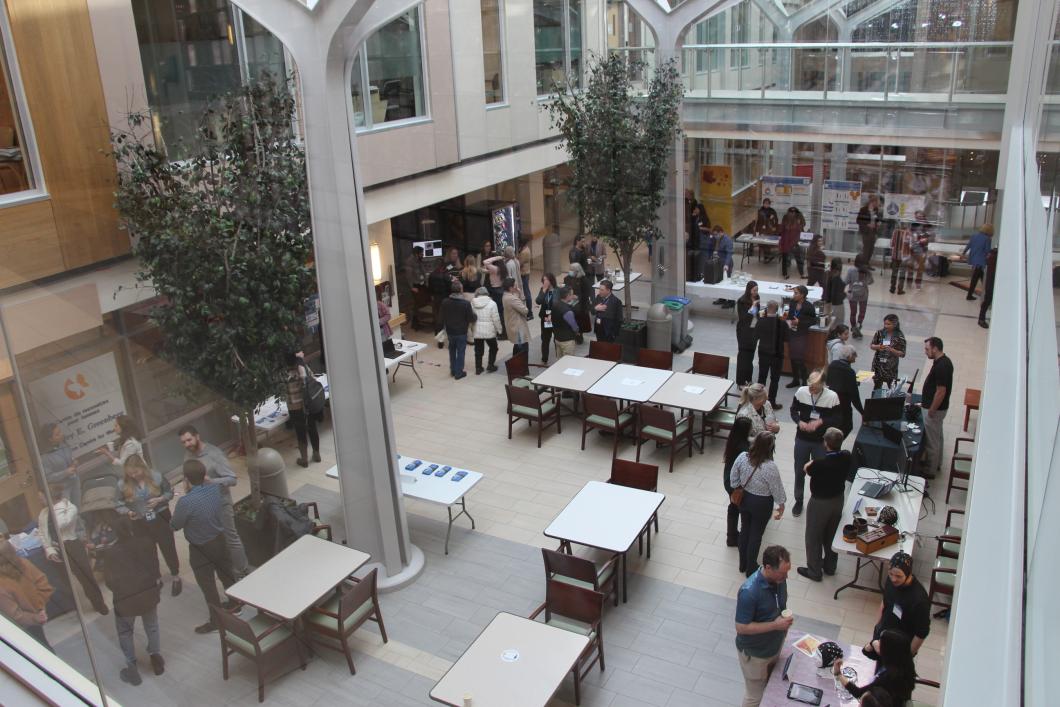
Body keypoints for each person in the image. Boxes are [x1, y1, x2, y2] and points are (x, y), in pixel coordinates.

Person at [170, 460, 239, 634]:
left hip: (201, 549)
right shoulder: (214, 489)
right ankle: (235, 603)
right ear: (204, 475)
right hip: (220, 539)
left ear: (186, 479)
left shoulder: (185, 502)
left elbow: (175, 525)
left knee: (208, 585)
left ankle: (216, 621)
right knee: (226, 573)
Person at [103, 513, 164, 686]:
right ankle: (156, 659)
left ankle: (132, 668)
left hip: (125, 599)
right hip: (147, 594)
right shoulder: (146, 543)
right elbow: (154, 567)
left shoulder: (111, 553)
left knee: (125, 632)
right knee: (152, 626)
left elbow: (109, 580)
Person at [178, 425, 248, 576]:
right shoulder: (188, 455)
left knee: (231, 537)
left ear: (197, 436)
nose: (187, 444)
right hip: (204, 505)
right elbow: (187, 475)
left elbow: (232, 479)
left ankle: (243, 570)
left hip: (221, 503)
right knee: (216, 540)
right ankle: (228, 571)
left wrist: (212, 482)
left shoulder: (214, 454)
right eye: (183, 442)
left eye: (189, 440)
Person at [734, 545, 792, 707]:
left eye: (787, 572)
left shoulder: (779, 580)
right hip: (755, 654)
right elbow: (741, 627)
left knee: (772, 685)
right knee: (755, 696)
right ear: (768, 568)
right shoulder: (749, 592)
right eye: (783, 573)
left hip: (774, 646)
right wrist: (775, 625)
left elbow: (780, 604)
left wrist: (782, 622)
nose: (786, 576)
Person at [116, 455, 182, 596]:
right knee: (147, 552)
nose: (133, 476)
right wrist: (128, 512)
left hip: (160, 516)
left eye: (136, 472)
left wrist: (159, 499)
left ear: (143, 469)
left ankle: (175, 575)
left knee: (168, 547)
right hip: (140, 521)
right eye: (130, 473)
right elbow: (118, 504)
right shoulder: (122, 484)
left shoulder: (156, 476)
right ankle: (156, 578)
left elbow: (170, 492)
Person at [38, 483, 107, 615]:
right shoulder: (43, 513)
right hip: (56, 549)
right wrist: (49, 550)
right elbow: (42, 532)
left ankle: (99, 603)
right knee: (64, 582)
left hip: (71, 546)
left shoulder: (69, 508)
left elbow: (61, 524)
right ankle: (75, 607)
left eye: (42, 497)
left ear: (50, 497)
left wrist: (55, 508)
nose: (40, 500)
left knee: (86, 577)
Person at [730, 432, 787, 576]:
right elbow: (776, 488)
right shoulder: (770, 466)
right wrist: (781, 505)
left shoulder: (743, 457)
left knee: (744, 530)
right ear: (770, 448)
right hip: (762, 503)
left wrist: (738, 486)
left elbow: (733, 477)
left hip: (745, 499)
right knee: (756, 535)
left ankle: (742, 564)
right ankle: (751, 567)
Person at [797, 428, 850, 581]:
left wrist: (812, 462)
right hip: (838, 500)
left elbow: (807, 467)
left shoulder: (820, 464)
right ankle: (830, 566)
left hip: (820, 502)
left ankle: (814, 571)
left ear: (825, 443)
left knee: (813, 536)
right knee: (832, 534)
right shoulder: (846, 456)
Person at [789, 370, 841, 517]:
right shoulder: (801, 392)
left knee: (820, 472)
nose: (811, 389)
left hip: (821, 442)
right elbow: (793, 411)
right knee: (799, 471)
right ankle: (798, 501)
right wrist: (799, 422)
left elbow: (837, 418)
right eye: (810, 385)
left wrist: (820, 421)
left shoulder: (832, 397)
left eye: (815, 386)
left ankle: (818, 500)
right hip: (802, 439)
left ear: (823, 385)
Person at [865, 551, 931, 658]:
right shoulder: (891, 581)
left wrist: (907, 657)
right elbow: (885, 602)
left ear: (908, 573)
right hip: (883, 634)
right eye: (890, 574)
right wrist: (877, 628)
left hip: (900, 644)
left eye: (899, 576)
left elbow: (922, 632)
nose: (893, 579)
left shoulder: (919, 600)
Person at [834, 630, 916, 704]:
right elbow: (866, 651)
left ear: (887, 650)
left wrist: (838, 673)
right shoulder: (903, 661)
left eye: (880, 642)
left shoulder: (888, 678)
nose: (877, 641)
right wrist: (872, 643)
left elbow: (859, 693)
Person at [0, 539, 53, 650]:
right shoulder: (24, 563)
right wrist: (39, 610)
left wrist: (38, 614)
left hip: (21, 627)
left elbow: (15, 615)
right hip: (29, 622)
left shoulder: (22, 565)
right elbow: (43, 585)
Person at [919, 337, 953, 478]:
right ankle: (937, 463)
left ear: (935, 348)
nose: (925, 352)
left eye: (927, 349)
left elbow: (941, 391)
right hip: (938, 409)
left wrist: (931, 409)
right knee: (937, 436)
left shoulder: (941, 366)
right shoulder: (943, 361)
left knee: (931, 440)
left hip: (935, 410)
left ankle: (929, 470)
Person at [284, 351, 321, 467]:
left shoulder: (284, 373)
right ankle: (316, 454)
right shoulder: (303, 368)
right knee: (312, 428)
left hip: (294, 408)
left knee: (300, 432)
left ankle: (304, 459)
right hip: (308, 404)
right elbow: (313, 378)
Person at [722, 417, 753, 547]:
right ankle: (736, 537)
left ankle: (731, 536)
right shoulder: (744, 448)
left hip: (728, 479)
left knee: (733, 505)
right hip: (737, 483)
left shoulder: (733, 440)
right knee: (740, 508)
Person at [440, 280, 477, 379]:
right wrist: (475, 316)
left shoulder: (445, 302)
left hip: (450, 331)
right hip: (461, 332)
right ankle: (459, 372)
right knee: (461, 351)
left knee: (451, 350)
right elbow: (470, 318)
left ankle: (453, 370)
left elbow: (441, 317)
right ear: (461, 290)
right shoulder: (465, 303)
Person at [827, 345, 864, 439]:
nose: (856, 356)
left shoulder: (832, 365)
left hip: (830, 401)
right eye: (854, 354)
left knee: (833, 425)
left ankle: (830, 444)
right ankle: (834, 445)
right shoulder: (850, 371)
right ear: (849, 357)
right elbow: (854, 395)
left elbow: (829, 381)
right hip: (843, 404)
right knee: (846, 427)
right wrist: (862, 412)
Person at [755, 301, 788, 410]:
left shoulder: (761, 321)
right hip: (777, 354)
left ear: (766, 309)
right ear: (777, 309)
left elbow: (757, 336)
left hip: (763, 352)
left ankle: (758, 402)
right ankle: (772, 402)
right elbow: (786, 338)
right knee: (774, 379)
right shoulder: (782, 323)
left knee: (761, 377)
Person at [784, 285, 818, 389]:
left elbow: (813, 320)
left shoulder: (808, 306)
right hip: (792, 333)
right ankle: (795, 379)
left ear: (802, 295)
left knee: (800, 359)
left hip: (801, 335)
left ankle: (804, 380)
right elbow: (790, 316)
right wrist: (789, 321)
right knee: (793, 358)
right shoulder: (793, 303)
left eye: (796, 293)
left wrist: (800, 321)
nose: (794, 295)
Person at [40, 423, 80, 509]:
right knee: (69, 512)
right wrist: (65, 473)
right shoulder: (45, 456)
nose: (62, 435)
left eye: (60, 431)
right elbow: (48, 477)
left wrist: (73, 462)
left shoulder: (64, 445)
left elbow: (69, 457)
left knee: (78, 507)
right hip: (62, 489)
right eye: (57, 434)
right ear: (50, 439)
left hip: (74, 481)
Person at [470, 286, 503, 374]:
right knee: (493, 347)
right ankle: (490, 365)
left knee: (478, 350)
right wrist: (499, 330)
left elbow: (471, 317)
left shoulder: (472, 303)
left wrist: (471, 329)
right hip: (490, 331)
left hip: (477, 330)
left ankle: (478, 368)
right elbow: (496, 319)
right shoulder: (492, 303)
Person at [869, 314, 907, 389]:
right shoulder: (879, 333)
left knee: (892, 388)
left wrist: (892, 350)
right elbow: (872, 345)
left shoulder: (899, 336)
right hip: (878, 366)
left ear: (895, 324)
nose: (886, 326)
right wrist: (878, 347)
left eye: (888, 324)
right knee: (876, 387)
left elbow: (902, 354)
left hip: (891, 369)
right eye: (885, 324)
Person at [735, 282, 760, 385]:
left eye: (757, 290)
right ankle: (740, 381)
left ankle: (748, 379)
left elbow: (757, 313)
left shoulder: (757, 297)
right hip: (744, 331)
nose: (756, 292)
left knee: (750, 356)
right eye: (754, 290)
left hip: (754, 330)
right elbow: (744, 318)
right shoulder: (742, 301)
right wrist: (752, 307)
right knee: (743, 356)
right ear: (749, 290)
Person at [961, 223, 993, 300]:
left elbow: (968, 246)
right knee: (978, 278)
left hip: (973, 259)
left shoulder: (974, 236)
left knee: (980, 277)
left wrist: (963, 253)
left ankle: (984, 294)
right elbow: (987, 251)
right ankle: (986, 295)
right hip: (981, 261)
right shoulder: (987, 239)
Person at [502, 278, 531, 359]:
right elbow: (525, 310)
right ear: (510, 288)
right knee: (523, 350)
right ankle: (522, 369)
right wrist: (521, 294)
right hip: (518, 328)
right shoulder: (512, 299)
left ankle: (515, 367)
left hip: (513, 325)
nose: (516, 287)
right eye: (515, 285)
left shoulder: (505, 296)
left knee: (517, 348)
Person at [845, 254, 873, 338]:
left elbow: (846, 281)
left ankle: (854, 327)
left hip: (852, 294)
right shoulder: (866, 271)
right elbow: (870, 282)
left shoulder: (851, 270)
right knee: (862, 312)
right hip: (863, 295)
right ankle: (858, 325)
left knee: (853, 313)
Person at [481, 253, 507, 339]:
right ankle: (504, 332)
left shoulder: (495, 268)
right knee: (502, 312)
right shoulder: (502, 268)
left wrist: (496, 257)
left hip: (496, 291)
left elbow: (485, 262)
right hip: (501, 289)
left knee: (499, 313)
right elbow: (487, 271)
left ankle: (502, 333)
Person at [551, 287, 582, 357]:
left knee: (560, 361)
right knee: (569, 362)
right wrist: (577, 332)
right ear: (568, 296)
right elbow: (574, 327)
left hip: (557, 338)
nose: (573, 296)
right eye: (572, 294)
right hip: (567, 341)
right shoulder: (568, 311)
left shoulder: (555, 305)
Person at [403, 246, 428, 329]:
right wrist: (412, 287)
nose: (423, 255)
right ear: (416, 254)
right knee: (416, 305)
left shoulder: (419, 260)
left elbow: (422, 271)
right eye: (421, 253)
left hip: (420, 284)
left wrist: (425, 279)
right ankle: (415, 324)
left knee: (420, 304)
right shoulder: (410, 261)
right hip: (415, 286)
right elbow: (408, 276)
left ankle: (417, 322)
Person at [564, 262, 593, 333]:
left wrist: (577, 296)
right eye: (570, 269)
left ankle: (580, 334)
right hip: (570, 302)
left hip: (581, 304)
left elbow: (587, 293)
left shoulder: (584, 280)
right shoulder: (567, 278)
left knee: (580, 321)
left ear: (577, 271)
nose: (570, 271)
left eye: (572, 270)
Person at [536, 273, 558, 364]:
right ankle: (544, 358)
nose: (544, 282)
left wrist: (552, 315)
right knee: (545, 339)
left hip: (555, 318)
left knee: (557, 338)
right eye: (543, 280)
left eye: (546, 280)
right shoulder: (543, 290)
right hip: (545, 318)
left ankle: (559, 356)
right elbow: (538, 301)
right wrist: (544, 290)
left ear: (551, 280)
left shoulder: (557, 291)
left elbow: (557, 305)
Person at [779, 207, 805, 279]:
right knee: (788, 258)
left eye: (794, 212)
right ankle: (786, 274)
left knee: (797, 258)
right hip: (788, 240)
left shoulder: (798, 218)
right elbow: (783, 229)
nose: (792, 214)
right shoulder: (788, 218)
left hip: (792, 240)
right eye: (791, 212)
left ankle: (800, 274)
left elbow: (802, 225)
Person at [857, 195, 883, 266]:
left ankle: (867, 263)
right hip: (866, 232)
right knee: (866, 249)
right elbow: (858, 220)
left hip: (873, 232)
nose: (877, 204)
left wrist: (878, 222)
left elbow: (877, 219)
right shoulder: (863, 209)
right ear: (872, 202)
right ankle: (863, 264)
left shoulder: (876, 210)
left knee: (871, 249)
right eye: (877, 202)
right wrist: (867, 224)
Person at [888, 226, 912, 295]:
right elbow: (910, 246)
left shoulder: (895, 232)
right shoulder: (908, 233)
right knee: (902, 273)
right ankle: (900, 290)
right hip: (904, 257)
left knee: (894, 272)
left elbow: (891, 244)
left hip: (895, 256)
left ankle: (892, 288)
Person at [909, 218, 932, 290]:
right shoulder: (913, 230)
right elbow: (911, 240)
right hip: (912, 250)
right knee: (910, 266)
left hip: (922, 252)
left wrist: (924, 240)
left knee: (921, 268)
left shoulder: (927, 233)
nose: (922, 226)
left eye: (924, 224)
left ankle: (918, 283)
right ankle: (909, 282)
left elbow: (927, 241)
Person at [979, 246, 998, 328]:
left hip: (990, 283)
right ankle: (981, 319)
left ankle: (981, 319)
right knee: (987, 301)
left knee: (987, 301)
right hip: (992, 283)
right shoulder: (994, 257)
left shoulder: (991, 256)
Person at [825, 257, 847, 328]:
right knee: (837, 325)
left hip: (828, 303)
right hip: (837, 305)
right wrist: (845, 294)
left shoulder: (829, 274)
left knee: (830, 325)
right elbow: (835, 294)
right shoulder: (836, 277)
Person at [517, 241, 533, 317]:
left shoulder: (524, 252)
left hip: (524, 273)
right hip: (526, 273)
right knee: (527, 291)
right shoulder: (527, 249)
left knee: (526, 292)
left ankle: (530, 312)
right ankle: (529, 310)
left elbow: (519, 263)